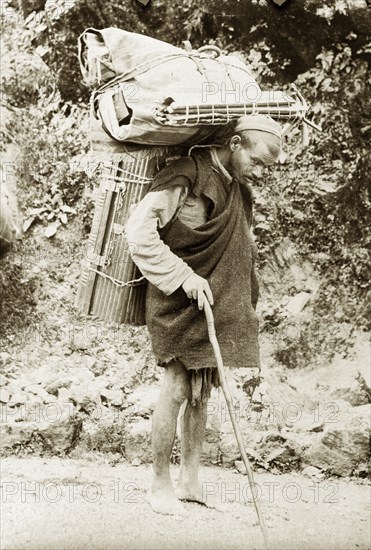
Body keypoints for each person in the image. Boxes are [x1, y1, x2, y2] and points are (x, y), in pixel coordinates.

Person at [125, 114, 282, 515]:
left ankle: (190, 479)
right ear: (234, 143)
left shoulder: (239, 191)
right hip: (178, 299)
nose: (259, 172)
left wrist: (244, 299)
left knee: (202, 390)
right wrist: (182, 276)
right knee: (177, 386)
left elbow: (243, 251)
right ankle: (159, 483)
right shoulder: (186, 175)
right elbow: (139, 233)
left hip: (218, 299)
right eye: (257, 160)